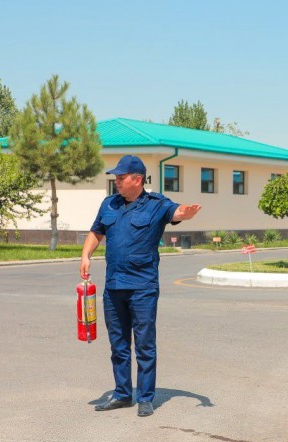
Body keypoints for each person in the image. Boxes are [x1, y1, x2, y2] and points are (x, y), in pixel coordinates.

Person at [81, 155, 201, 417]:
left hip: (142, 287)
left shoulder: (156, 204)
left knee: (145, 344)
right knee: (119, 344)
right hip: (113, 287)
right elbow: (96, 232)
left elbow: (176, 212)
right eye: (116, 178)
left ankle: (146, 397)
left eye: (121, 178)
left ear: (137, 179)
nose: (117, 182)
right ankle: (123, 394)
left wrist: (186, 213)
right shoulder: (109, 204)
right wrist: (86, 255)